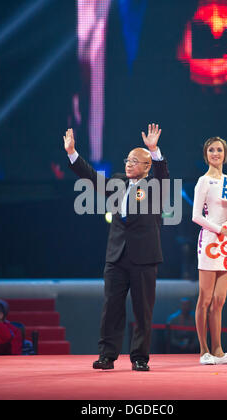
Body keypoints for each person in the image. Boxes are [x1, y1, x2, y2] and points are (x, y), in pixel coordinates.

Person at [63, 123, 169, 371]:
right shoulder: (119, 182)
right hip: (116, 255)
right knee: (111, 307)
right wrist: (72, 153)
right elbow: (90, 176)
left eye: (135, 161)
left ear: (146, 166)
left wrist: (154, 150)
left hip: (144, 257)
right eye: (127, 160)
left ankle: (140, 358)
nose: (129, 164)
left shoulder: (156, 185)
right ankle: (107, 356)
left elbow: (163, 173)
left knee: (142, 311)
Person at [192, 136, 227, 365]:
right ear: (206, 155)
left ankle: (219, 350)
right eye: (211, 150)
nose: (215, 153)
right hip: (210, 241)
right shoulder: (203, 182)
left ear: (225, 154)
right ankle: (204, 350)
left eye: (219, 150)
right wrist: (222, 230)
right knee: (205, 298)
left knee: (220, 299)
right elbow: (196, 216)